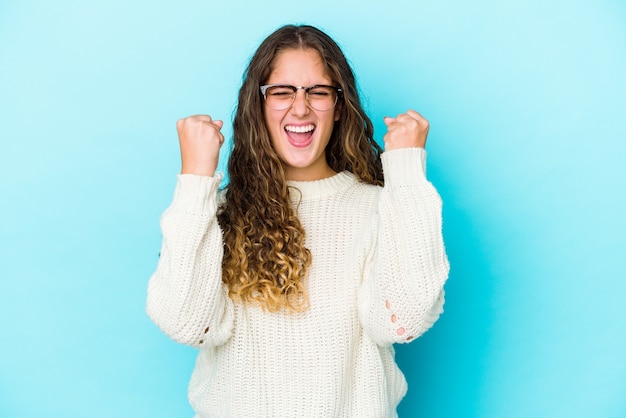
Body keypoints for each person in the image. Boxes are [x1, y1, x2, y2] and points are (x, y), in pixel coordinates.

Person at [147, 24, 449, 418]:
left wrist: (407, 173)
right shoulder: (219, 211)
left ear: (339, 106)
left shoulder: (379, 207)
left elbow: (401, 322)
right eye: (282, 92)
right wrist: (195, 179)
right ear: (259, 104)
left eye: (318, 92)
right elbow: (186, 323)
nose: (301, 108)